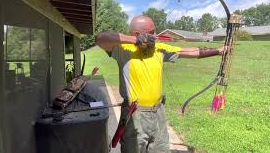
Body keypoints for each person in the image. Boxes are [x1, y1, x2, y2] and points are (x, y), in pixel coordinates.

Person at [96, 15, 225, 153]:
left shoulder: (159, 48)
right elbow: (100, 38)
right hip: (134, 115)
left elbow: (190, 52)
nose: (156, 35)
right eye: (152, 32)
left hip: (158, 113)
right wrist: (135, 40)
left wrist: (218, 51)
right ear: (138, 34)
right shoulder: (122, 50)